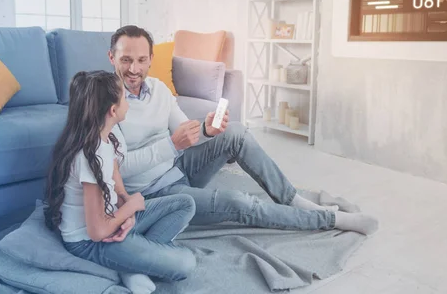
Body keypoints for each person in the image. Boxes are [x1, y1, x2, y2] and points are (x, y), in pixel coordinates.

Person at [108, 25, 379, 236]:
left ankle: (294, 200)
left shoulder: (158, 88)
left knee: (235, 131)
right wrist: (171, 145)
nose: (134, 69)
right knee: (240, 202)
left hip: (180, 167)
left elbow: (183, 132)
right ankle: (330, 220)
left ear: (151, 59)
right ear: (112, 57)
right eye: (126, 60)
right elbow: (117, 170)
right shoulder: (102, 102)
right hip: (154, 192)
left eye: (142, 60)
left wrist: (206, 129)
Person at [43, 70, 197, 289]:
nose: (128, 99)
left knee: (185, 204)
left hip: (110, 220)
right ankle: (128, 266)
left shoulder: (108, 133)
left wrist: (126, 204)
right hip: (90, 242)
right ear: (113, 110)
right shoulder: (89, 156)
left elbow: (115, 174)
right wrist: (131, 206)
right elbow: (97, 232)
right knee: (186, 263)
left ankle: (130, 259)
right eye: (124, 97)